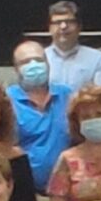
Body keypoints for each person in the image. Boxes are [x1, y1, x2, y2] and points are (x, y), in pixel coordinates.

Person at [9, 38, 76, 187]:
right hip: (23, 188)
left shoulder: (67, 95)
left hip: (66, 187)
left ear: (48, 64)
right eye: (25, 62)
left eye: (39, 60)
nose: (34, 65)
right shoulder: (6, 100)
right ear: (16, 69)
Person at [43, 0, 101, 92]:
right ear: (49, 28)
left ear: (79, 27)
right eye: (57, 22)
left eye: (69, 22)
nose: (63, 26)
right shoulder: (40, 58)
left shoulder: (97, 59)